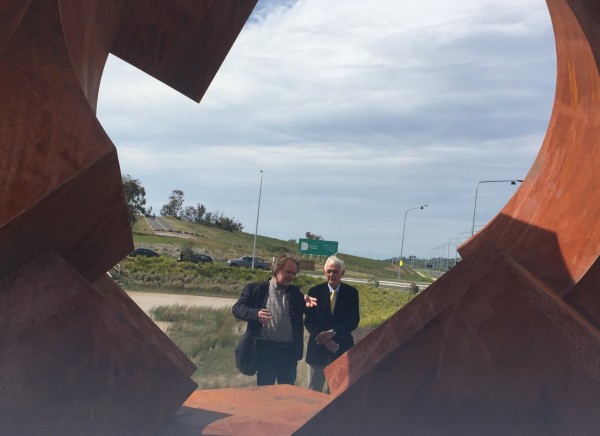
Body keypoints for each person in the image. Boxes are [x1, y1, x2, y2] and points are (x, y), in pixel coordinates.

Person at [232, 254, 316, 386]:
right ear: (277, 269)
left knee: (287, 393)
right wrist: (256, 314)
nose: (291, 276)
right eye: (288, 272)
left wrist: (310, 306)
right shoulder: (257, 289)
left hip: (288, 354)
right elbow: (237, 308)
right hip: (265, 352)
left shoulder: (295, 292)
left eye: (294, 273)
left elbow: (306, 310)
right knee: (266, 393)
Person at [304, 255, 360, 392]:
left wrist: (333, 333)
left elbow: (353, 320)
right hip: (317, 350)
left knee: (336, 391)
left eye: (335, 271)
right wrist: (325, 339)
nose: (331, 274)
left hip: (340, 349)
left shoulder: (351, 293)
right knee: (314, 390)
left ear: (342, 273)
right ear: (324, 272)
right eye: (329, 271)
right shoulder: (314, 292)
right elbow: (309, 321)